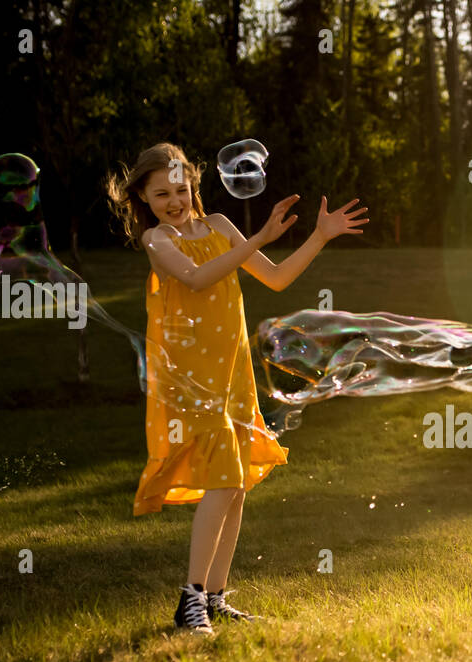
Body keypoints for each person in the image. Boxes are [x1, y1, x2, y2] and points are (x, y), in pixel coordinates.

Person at [105, 142, 368, 635]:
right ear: (143, 196)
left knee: (238, 483)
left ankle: (215, 596)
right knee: (224, 479)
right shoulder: (157, 241)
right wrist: (261, 235)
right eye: (160, 194)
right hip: (190, 376)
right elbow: (199, 278)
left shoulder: (222, 226)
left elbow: (276, 278)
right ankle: (190, 603)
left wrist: (318, 236)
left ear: (194, 186)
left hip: (231, 372)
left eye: (181, 190)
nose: (174, 201)